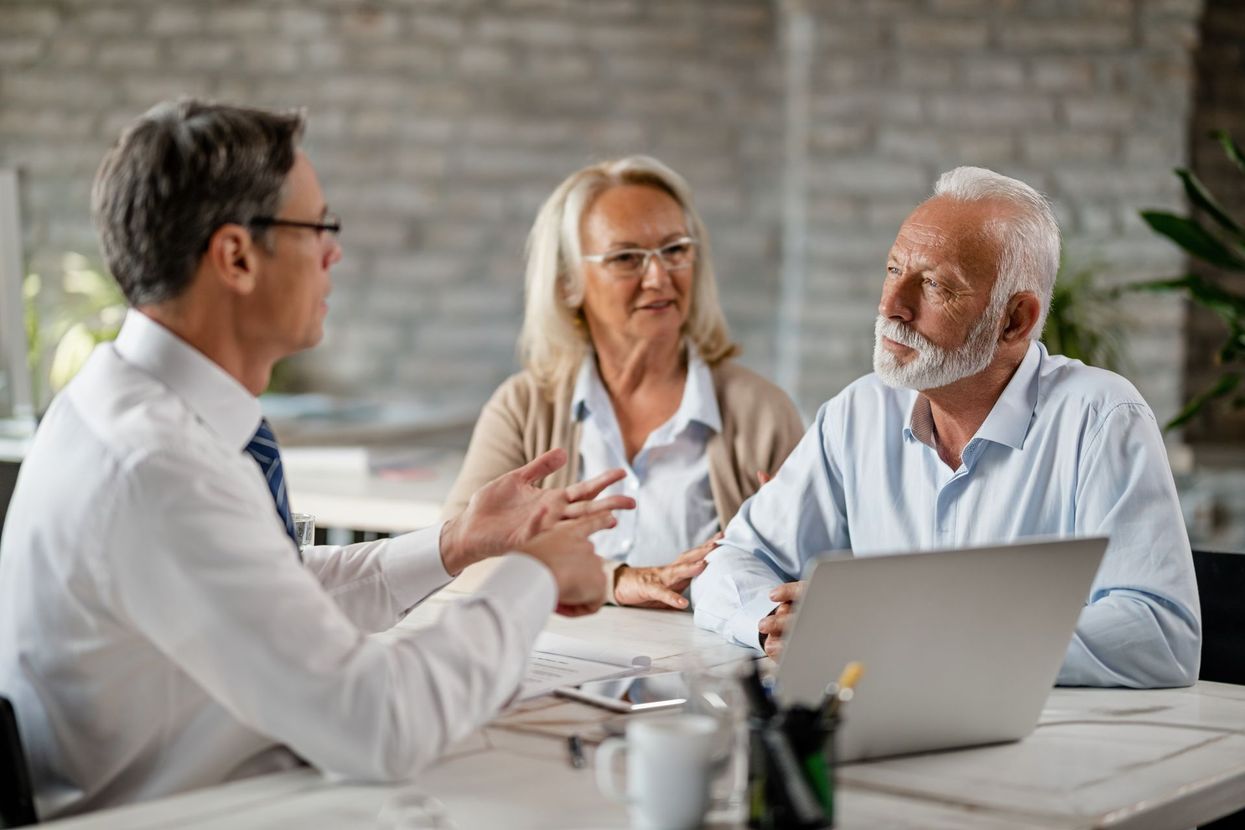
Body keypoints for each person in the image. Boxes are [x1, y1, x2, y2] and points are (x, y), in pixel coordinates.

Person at [0, 100, 635, 819]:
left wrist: (460, 544)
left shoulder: (120, 405)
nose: (335, 252)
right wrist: (536, 575)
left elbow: (276, 593)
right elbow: (381, 725)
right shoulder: (158, 465)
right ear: (236, 256)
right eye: (319, 227)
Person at [691, 166, 1201, 689]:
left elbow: (1161, 635)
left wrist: (909, 638)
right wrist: (776, 626)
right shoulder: (858, 413)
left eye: (934, 285)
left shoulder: (1102, 418)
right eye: (893, 270)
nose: (892, 307)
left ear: (1015, 321)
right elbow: (734, 563)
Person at [443, 156, 803, 610]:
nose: (658, 278)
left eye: (674, 251)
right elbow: (458, 558)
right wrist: (613, 580)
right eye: (626, 258)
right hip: (560, 674)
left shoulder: (762, 412)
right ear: (568, 283)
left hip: (700, 674)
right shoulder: (523, 407)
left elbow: (809, 575)